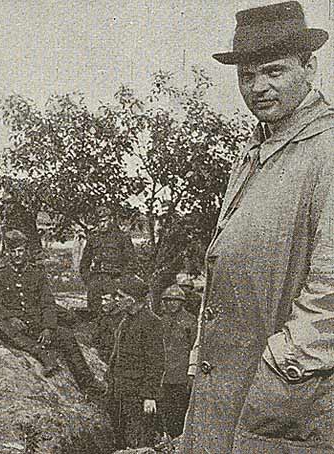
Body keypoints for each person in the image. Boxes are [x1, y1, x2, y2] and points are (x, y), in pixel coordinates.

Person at [182, 2, 334, 452]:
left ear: (309, 68)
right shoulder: (256, 150)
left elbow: (330, 287)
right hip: (228, 383)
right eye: (246, 76)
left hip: (285, 389)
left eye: (273, 71)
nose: (258, 87)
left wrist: (284, 364)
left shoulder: (327, 149)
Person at [0, 230, 100, 395]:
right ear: (8, 253)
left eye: (20, 250)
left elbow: (47, 303)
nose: (17, 255)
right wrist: (11, 317)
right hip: (14, 326)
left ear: (26, 251)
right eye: (13, 251)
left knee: (66, 336)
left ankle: (88, 384)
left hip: (35, 323)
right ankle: (42, 354)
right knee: (6, 329)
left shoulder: (37, 273)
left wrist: (48, 327)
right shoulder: (0, 274)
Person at [104, 276, 163, 450]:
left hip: (138, 394)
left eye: (120, 296)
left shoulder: (151, 322)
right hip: (121, 391)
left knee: (139, 441)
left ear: (131, 300)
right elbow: (117, 356)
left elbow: (156, 362)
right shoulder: (125, 320)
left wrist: (149, 395)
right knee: (121, 439)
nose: (116, 299)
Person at [79, 206, 136, 321]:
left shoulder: (122, 237)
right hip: (96, 281)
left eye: (104, 221)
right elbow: (85, 262)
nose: (102, 224)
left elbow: (131, 262)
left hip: (114, 279)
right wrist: (88, 280)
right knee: (94, 314)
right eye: (99, 221)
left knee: (114, 314)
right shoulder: (93, 238)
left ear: (111, 220)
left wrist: (121, 280)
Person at [157, 285, 196, 438]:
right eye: (168, 300)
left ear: (182, 302)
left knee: (180, 411)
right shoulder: (160, 321)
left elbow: (194, 348)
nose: (171, 304)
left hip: (181, 376)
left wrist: (191, 374)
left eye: (175, 300)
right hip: (164, 375)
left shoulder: (190, 322)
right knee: (164, 410)